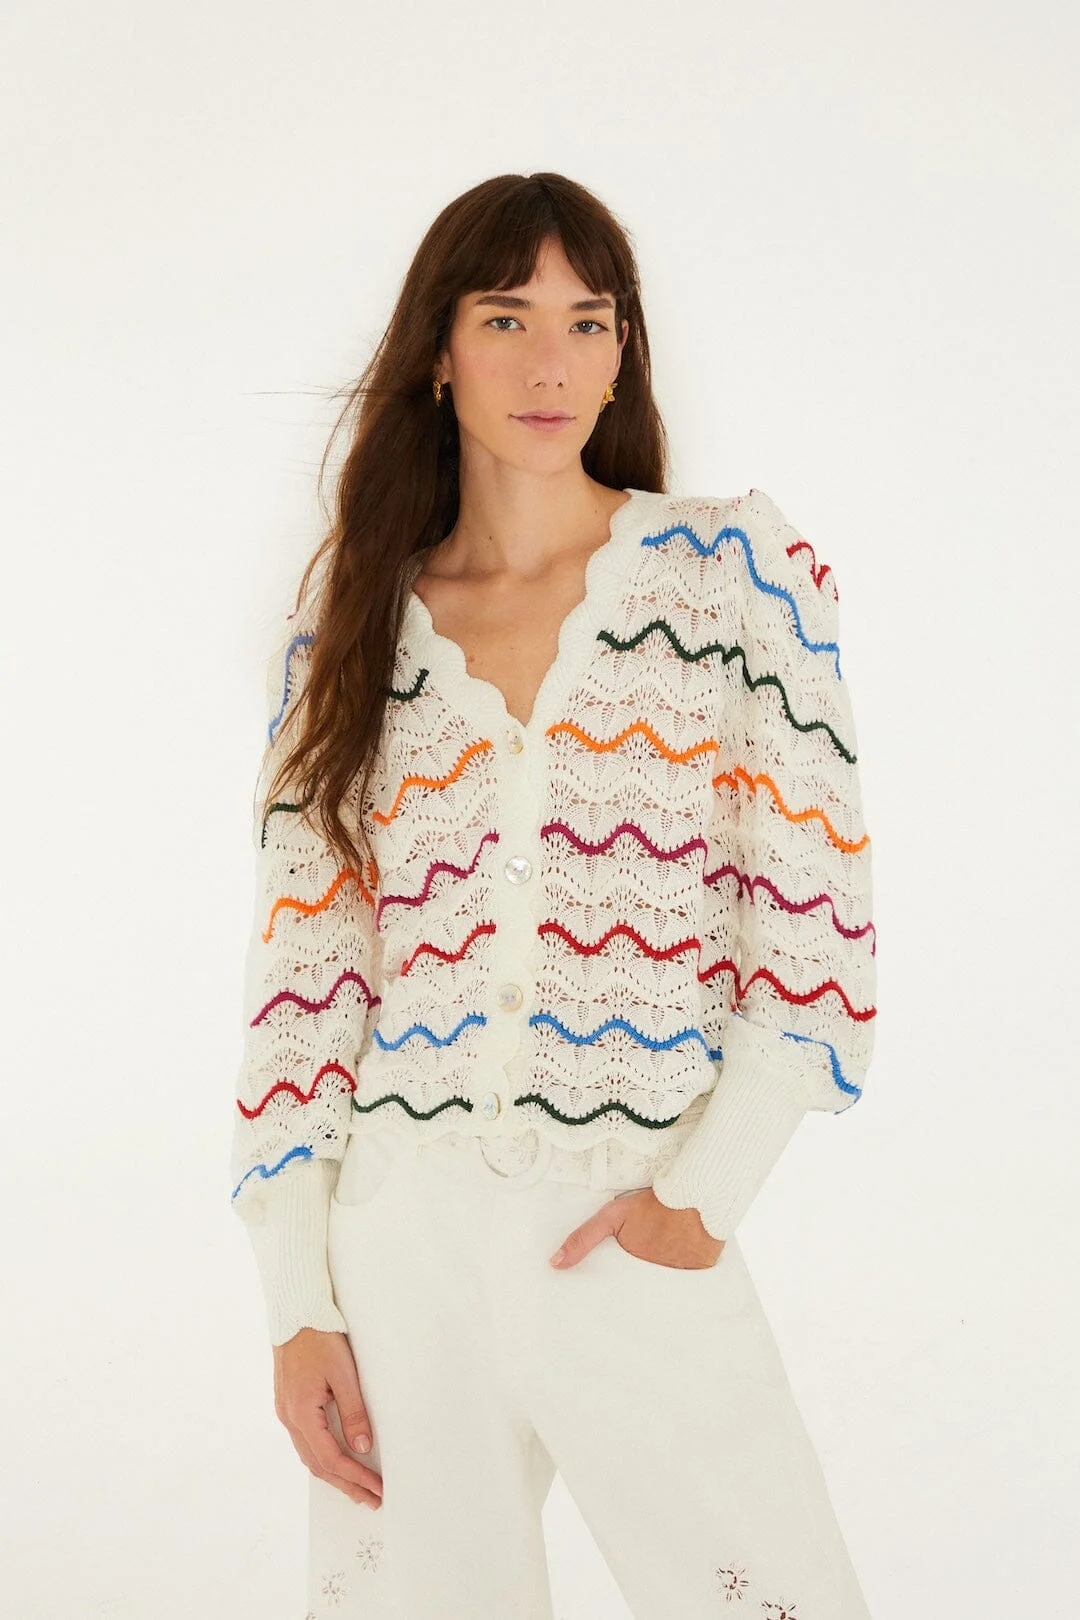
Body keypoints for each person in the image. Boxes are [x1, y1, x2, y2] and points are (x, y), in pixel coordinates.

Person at [230, 172, 878, 1619]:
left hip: (634, 1217)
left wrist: (701, 1201)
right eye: (506, 317)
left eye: (588, 322)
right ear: (437, 351)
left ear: (623, 350)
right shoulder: (349, 627)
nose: (550, 363)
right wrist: (298, 1300)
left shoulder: (734, 579)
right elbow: (304, 978)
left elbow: (818, 927)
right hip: (400, 1242)